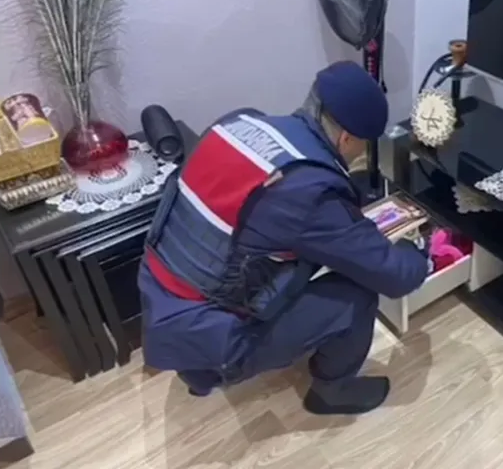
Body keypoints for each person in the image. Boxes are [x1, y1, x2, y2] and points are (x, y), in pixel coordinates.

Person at [138, 61, 430, 415]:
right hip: (209, 339)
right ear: (346, 138)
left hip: (160, 299)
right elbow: (396, 276)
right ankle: (332, 392)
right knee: (358, 293)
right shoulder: (309, 192)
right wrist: (417, 250)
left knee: (306, 257)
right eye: (362, 146)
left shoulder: (240, 123)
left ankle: (207, 365)